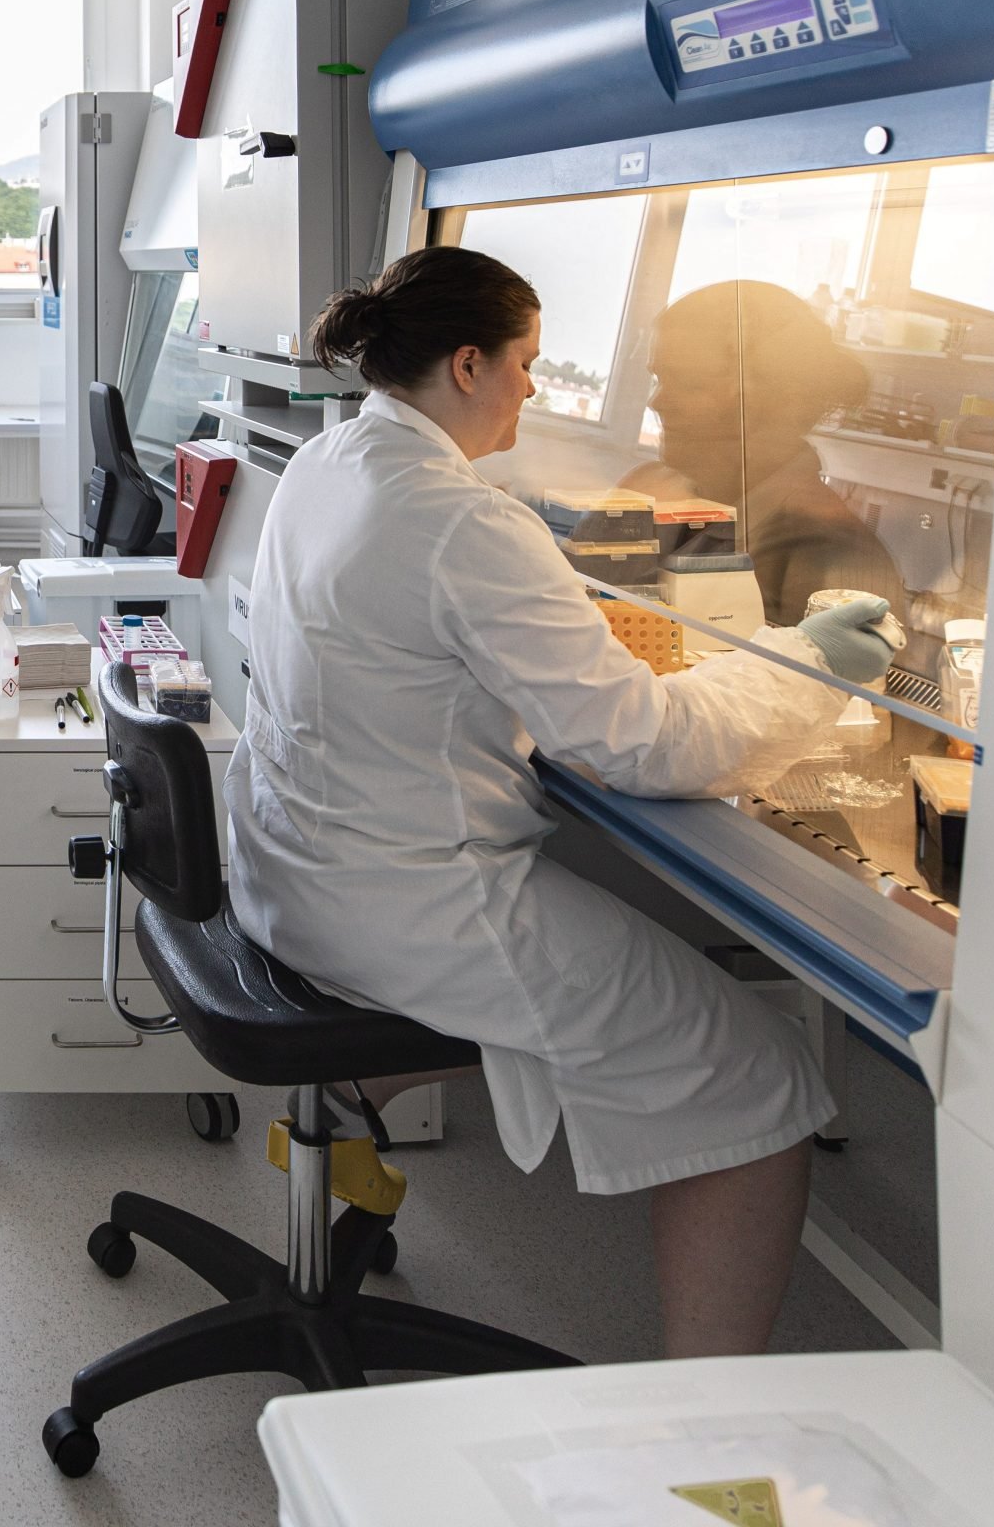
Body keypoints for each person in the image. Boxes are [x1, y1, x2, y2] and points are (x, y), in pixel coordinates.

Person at [225, 246, 901, 1358]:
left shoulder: (334, 455)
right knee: (759, 1082)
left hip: (297, 869)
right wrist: (805, 662)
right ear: (468, 362)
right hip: (413, 903)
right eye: (527, 366)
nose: (536, 390)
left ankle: (353, 1084)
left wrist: (553, 521)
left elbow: (445, 539)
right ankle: (704, 1427)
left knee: (604, 958)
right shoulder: (459, 525)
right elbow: (639, 742)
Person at [626, 280, 907, 628]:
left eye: (688, 382)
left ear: (774, 401)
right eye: (658, 378)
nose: (657, 401)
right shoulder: (656, 497)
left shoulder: (832, 556)